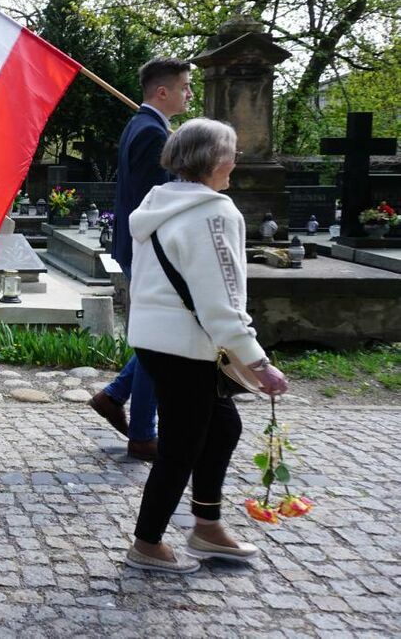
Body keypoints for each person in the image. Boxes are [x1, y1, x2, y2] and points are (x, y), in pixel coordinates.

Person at [123, 118, 288, 574]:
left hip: (159, 341)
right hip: (187, 348)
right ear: (215, 160)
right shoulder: (215, 213)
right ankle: (147, 543)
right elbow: (222, 299)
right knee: (181, 447)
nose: (235, 160)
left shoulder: (160, 203)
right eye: (232, 152)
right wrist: (259, 363)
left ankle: (207, 525)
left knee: (221, 428)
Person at [89, 58, 193, 461]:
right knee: (158, 342)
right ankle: (143, 434)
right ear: (161, 91)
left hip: (144, 249)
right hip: (151, 251)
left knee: (156, 339)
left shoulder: (146, 126)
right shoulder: (151, 132)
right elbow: (157, 199)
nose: (188, 93)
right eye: (184, 86)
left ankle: (114, 396)